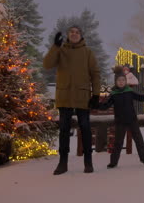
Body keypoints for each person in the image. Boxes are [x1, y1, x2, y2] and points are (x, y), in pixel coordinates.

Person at [43, 25, 100, 175]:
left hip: (82, 96)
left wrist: (96, 94)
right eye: (72, 32)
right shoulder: (61, 50)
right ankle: (63, 163)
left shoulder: (87, 52)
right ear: (68, 35)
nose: (74, 34)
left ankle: (88, 162)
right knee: (63, 130)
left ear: (81, 36)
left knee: (86, 129)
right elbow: (47, 64)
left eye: (77, 32)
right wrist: (55, 46)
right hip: (65, 96)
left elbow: (95, 74)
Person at [99, 67, 144, 168]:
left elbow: (140, 97)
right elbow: (106, 105)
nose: (121, 82)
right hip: (120, 122)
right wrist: (96, 104)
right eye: (119, 80)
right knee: (118, 142)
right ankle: (113, 162)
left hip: (132, 120)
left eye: (123, 80)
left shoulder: (129, 92)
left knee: (139, 140)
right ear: (116, 82)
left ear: (126, 81)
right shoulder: (113, 95)